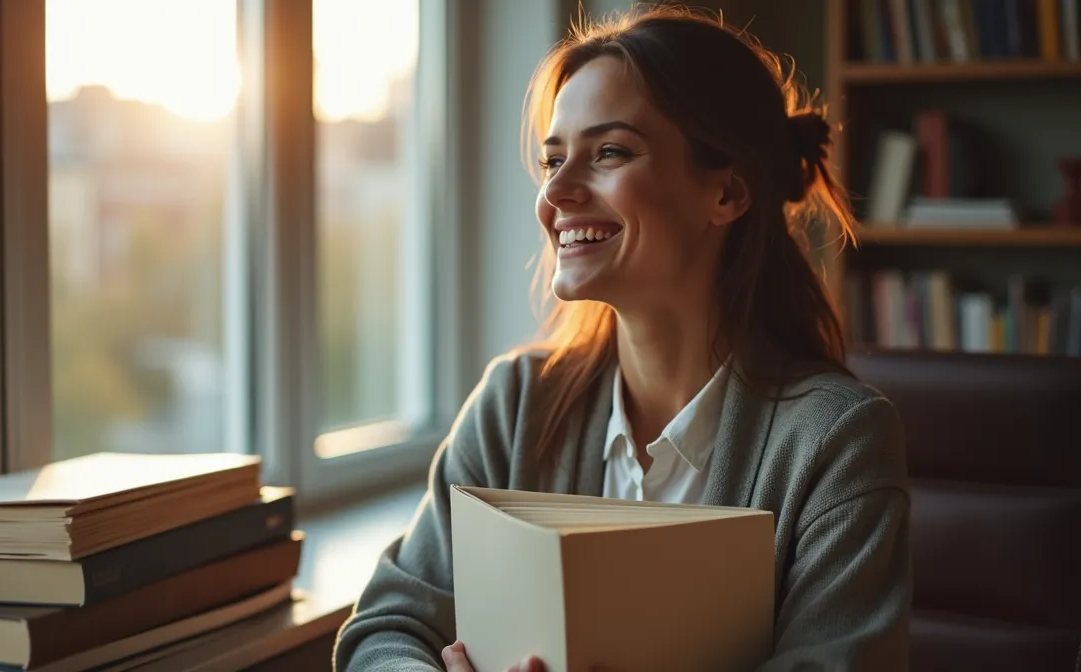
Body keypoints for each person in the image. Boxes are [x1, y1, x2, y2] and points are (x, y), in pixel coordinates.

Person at [333, 5, 911, 671]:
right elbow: (388, 626)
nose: (556, 192)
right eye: (553, 159)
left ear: (727, 193)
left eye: (609, 152)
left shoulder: (837, 441)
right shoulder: (514, 406)